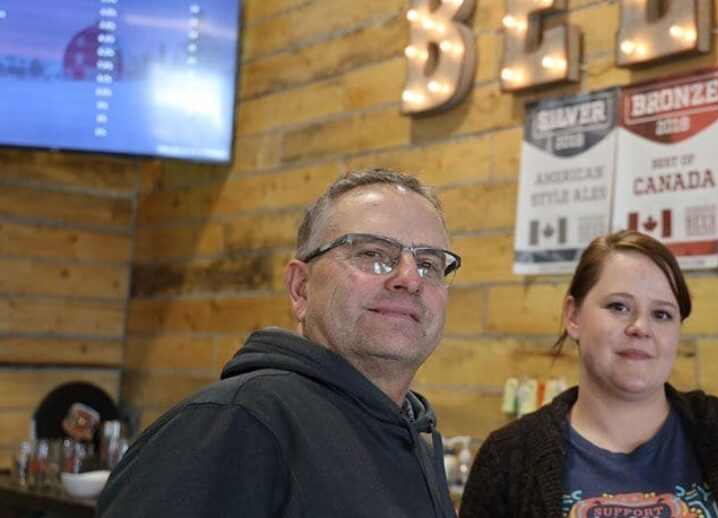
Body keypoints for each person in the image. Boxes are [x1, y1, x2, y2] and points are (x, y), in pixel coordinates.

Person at [98, 168, 461, 517]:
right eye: (373, 254)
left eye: (429, 264)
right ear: (300, 287)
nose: (410, 279)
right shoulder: (235, 424)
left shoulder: (414, 437)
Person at [460, 231, 718, 518]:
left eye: (662, 314)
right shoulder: (507, 458)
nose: (641, 327)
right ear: (572, 316)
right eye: (619, 306)